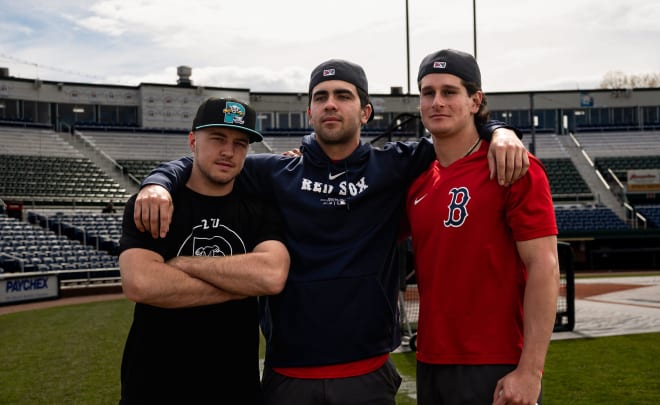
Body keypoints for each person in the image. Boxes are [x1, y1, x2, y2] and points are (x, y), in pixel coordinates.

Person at [133, 59, 529, 405]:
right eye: (321, 97)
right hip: (288, 373)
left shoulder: (397, 165)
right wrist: (158, 182)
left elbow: (457, 132)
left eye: (343, 95)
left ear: (366, 111)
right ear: (309, 112)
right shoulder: (275, 172)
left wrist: (500, 130)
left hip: (367, 372)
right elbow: (208, 160)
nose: (331, 104)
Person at [406, 49, 560, 405]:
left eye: (449, 92)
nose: (437, 102)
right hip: (431, 360)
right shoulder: (417, 181)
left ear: (475, 100)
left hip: (496, 362)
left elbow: (545, 267)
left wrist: (530, 371)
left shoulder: (513, 167)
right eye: (427, 93)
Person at [117, 97, 290, 405]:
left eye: (240, 143)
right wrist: (240, 284)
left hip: (235, 388)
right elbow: (141, 283)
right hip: (153, 387)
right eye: (218, 139)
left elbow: (271, 276)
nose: (228, 151)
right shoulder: (154, 204)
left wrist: (182, 264)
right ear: (193, 141)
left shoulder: (260, 209)